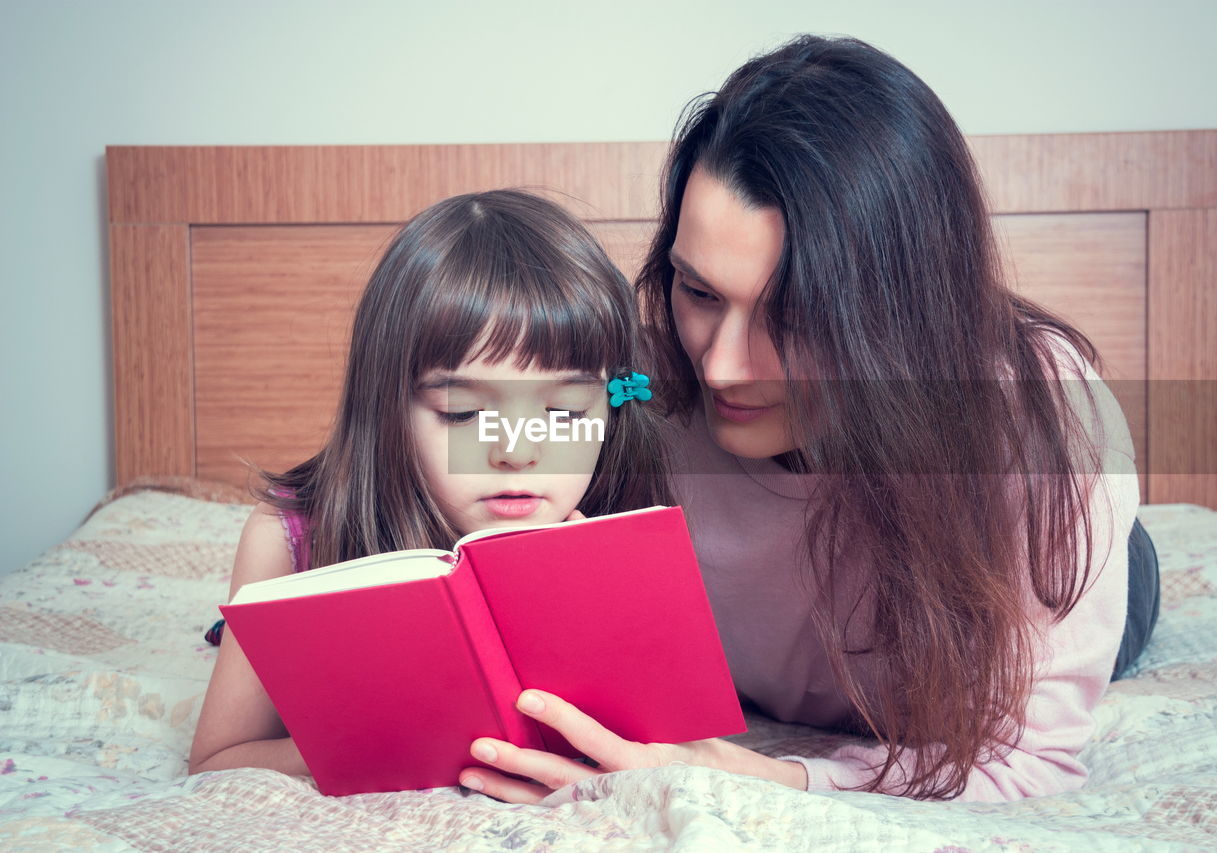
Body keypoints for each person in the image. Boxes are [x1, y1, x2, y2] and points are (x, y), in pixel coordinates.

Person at [459, 35, 1160, 803]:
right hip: (799, 655)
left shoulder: (1045, 428)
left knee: (1111, 581)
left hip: (1057, 565)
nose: (722, 363)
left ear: (901, 315)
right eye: (698, 293)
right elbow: (473, 432)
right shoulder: (644, 386)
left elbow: (1028, 759)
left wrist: (769, 775)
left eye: (789, 317)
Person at [188, 189, 671, 776]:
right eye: (464, 414)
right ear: (390, 410)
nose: (516, 454)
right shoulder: (288, 539)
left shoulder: (632, 526)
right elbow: (219, 759)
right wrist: (426, 740)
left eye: (565, 412)